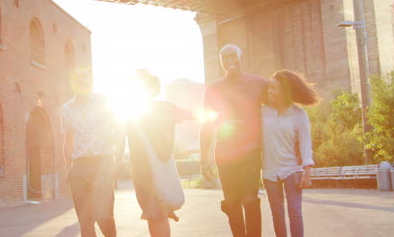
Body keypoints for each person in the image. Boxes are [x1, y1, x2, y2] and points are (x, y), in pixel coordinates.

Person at [200, 44, 267, 237]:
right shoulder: (214, 88)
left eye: (232, 57)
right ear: (221, 63)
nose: (229, 61)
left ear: (241, 58)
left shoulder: (259, 83)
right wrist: (204, 159)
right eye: (224, 58)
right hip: (225, 152)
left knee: (250, 199)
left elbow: (277, 107)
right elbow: (206, 124)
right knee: (232, 201)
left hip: (251, 151)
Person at [121, 70, 190, 237]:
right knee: (153, 215)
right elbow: (118, 135)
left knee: (156, 214)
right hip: (144, 169)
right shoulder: (132, 111)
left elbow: (189, 114)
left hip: (155, 167)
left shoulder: (161, 108)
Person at [61, 67, 118, 237]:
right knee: (85, 224)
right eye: (77, 78)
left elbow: (119, 131)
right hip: (79, 167)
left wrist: (116, 162)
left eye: (84, 77)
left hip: (102, 164)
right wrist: (67, 171)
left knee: (104, 217)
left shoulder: (104, 102)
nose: (81, 80)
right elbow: (67, 141)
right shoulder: (66, 109)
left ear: (90, 80)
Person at [262, 70, 319, 237]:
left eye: (274, 88)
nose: (269, 92)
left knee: (295, 212)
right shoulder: (263, 112)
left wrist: (307, 172)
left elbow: (306, 146)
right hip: (269, 171)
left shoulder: (299, 115)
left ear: (285, 92)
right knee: (277, 214)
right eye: (269, 88)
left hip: (291, 169)